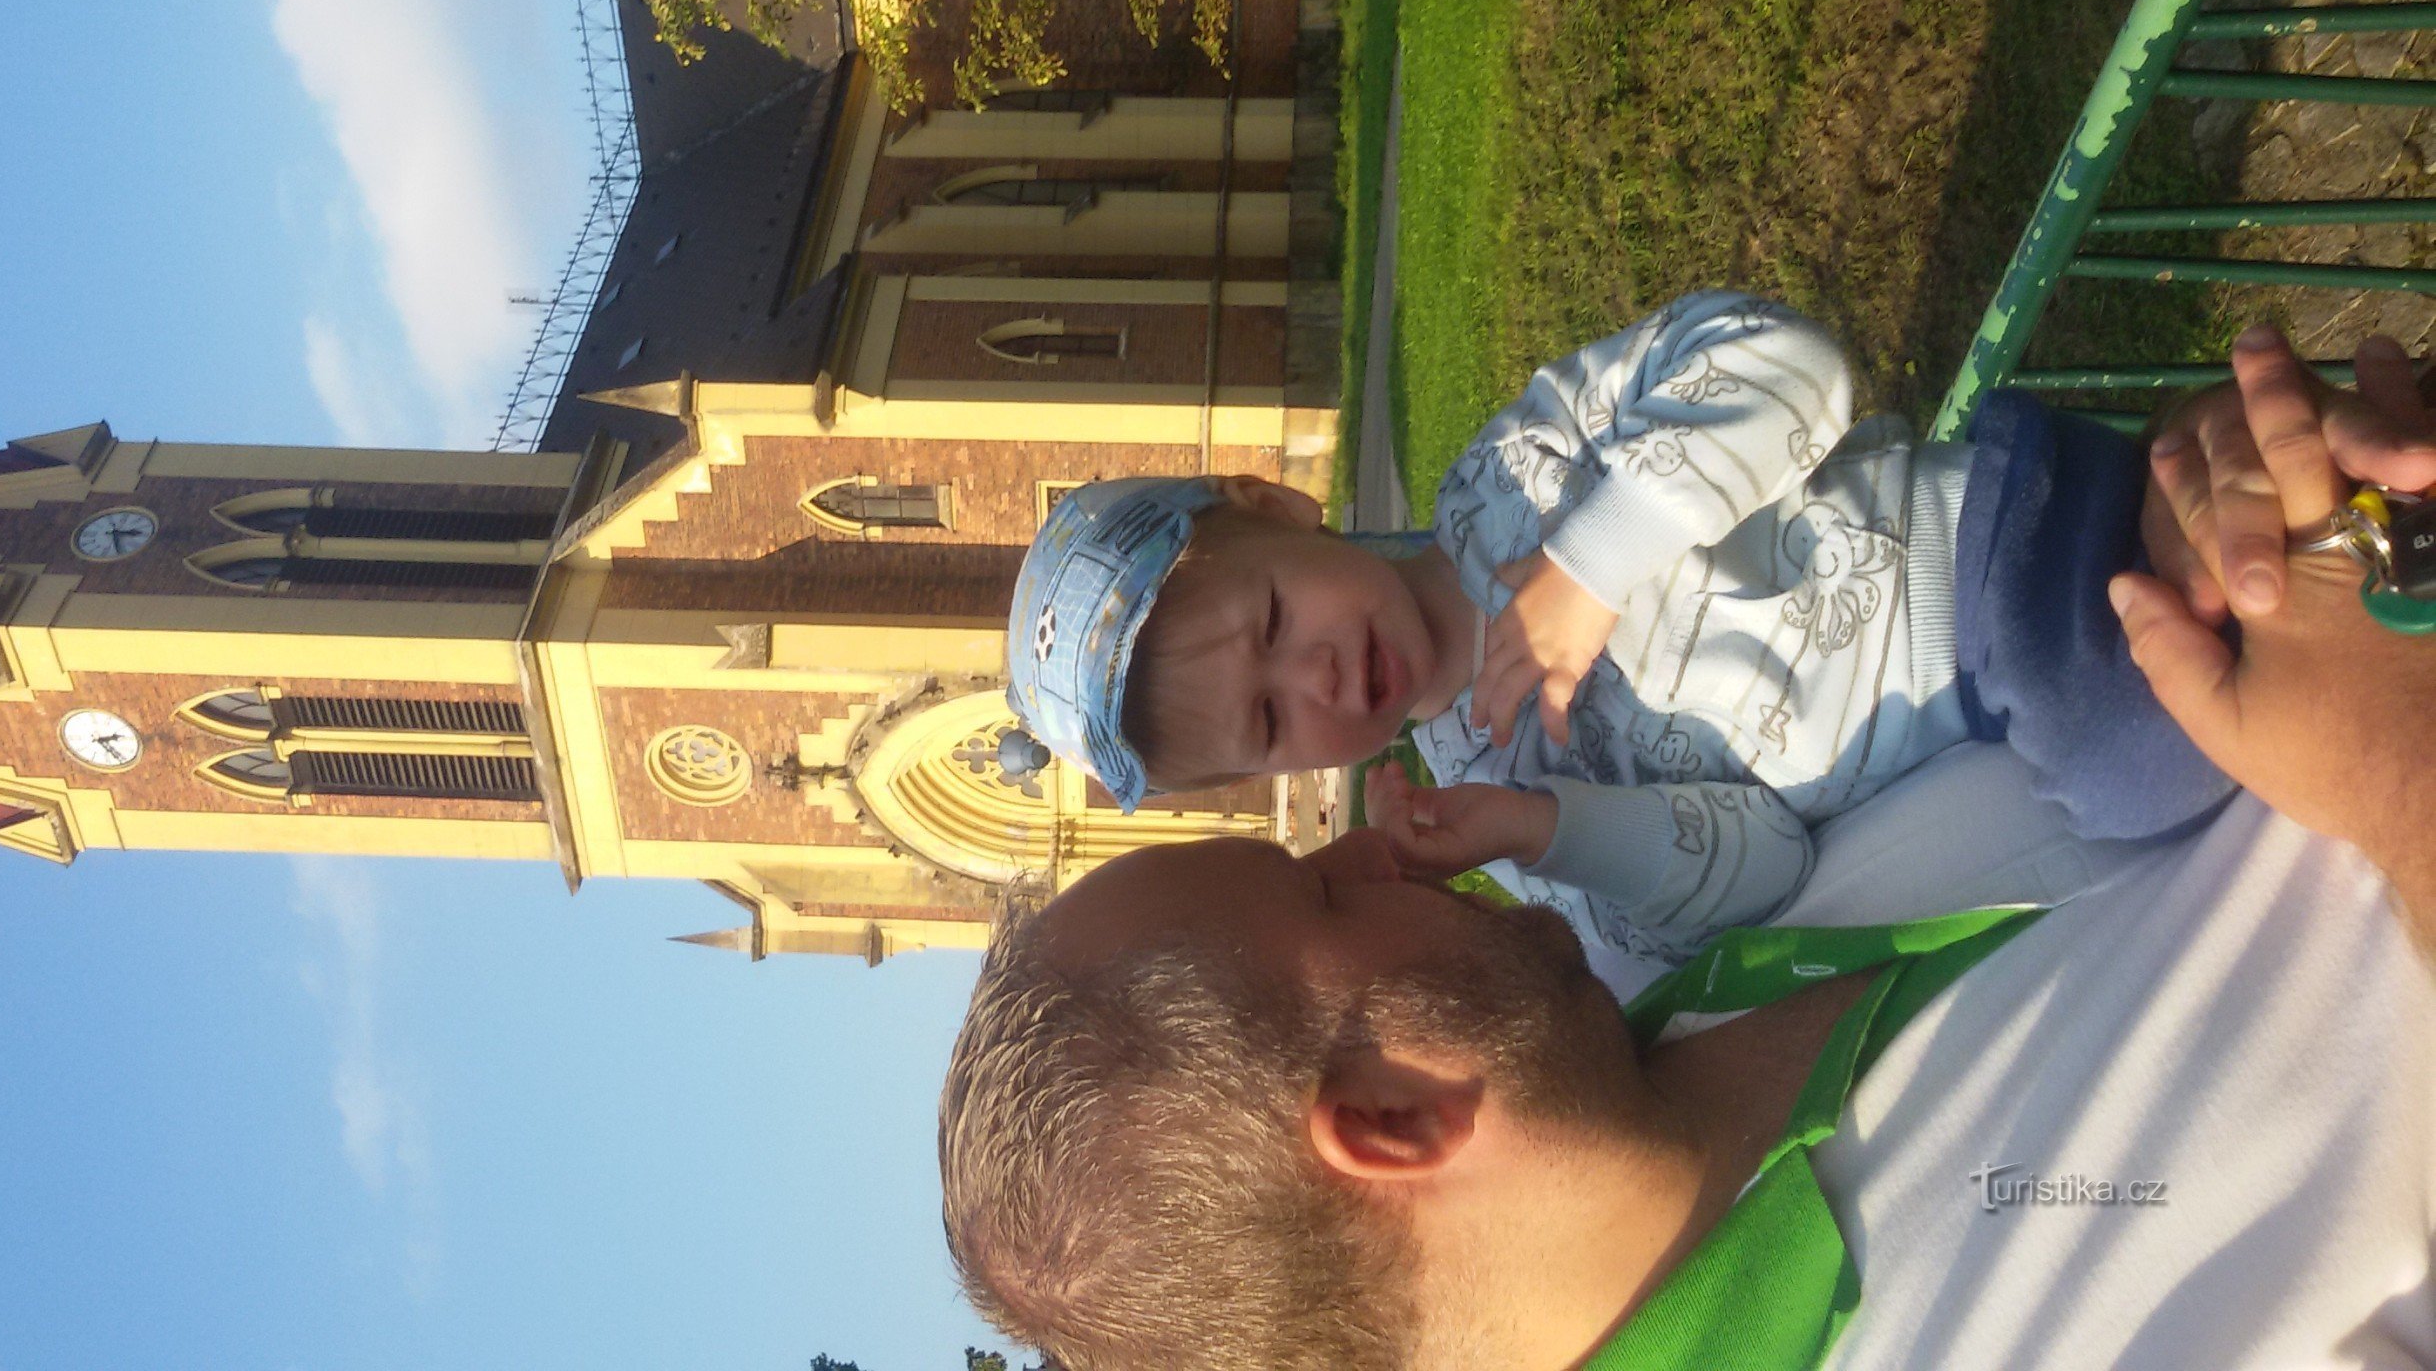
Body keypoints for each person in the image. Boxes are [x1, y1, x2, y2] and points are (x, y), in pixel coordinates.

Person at [940, 330, 2436, 1371]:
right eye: (1323, 887)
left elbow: (1871, 527)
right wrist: (2399, 765)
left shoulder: (1642, 1009)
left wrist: (2256, 532)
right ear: (1390, 1119)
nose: (1386, 854)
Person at [1004, 290, 2227, 983]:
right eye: (1271, 721)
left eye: (1273, 620)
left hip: (1984, 555)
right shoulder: (1489, 789)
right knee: (2144, 862)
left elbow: (1788, 364)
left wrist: (1592, 561)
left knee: (2153, 753)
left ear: (1272, 504)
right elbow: (1765, 869)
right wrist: (1552, 828)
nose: (1314, 675)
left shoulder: (1514, 476)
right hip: (1973, 750)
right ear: (1277, 777)